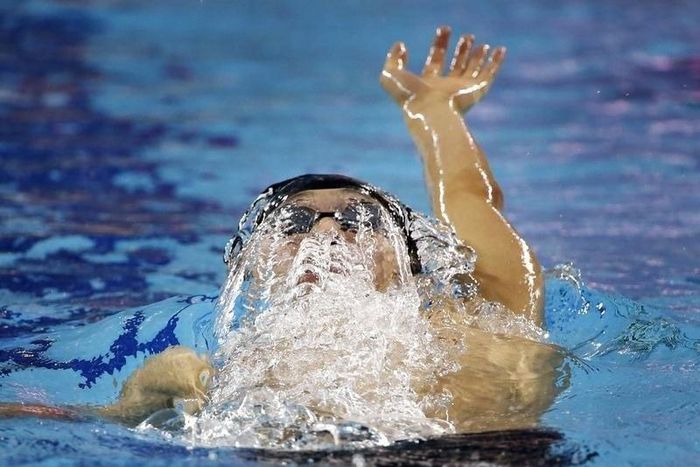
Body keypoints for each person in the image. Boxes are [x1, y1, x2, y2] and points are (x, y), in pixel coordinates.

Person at [1, 27, 562, 434]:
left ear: (411, 257)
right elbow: (94, 425)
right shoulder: (200, 377)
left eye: (357, 220)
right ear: (252, 266)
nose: (325, 233)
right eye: (293, 222)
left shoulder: (493, 309)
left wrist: (431, 108)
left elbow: (472, 199)